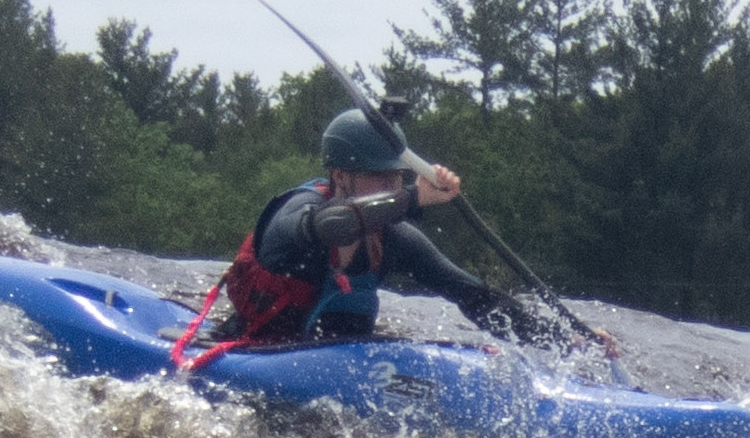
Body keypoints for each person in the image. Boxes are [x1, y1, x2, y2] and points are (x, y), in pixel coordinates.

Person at [172, 108, 539, 369]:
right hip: (250, 359)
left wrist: (559, 342)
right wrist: (413, 197)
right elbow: (338, 225)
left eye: (397, 177)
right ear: (339, 176)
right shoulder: (297, 212)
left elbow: (475, 297)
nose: (391, 187)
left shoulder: (396, 241)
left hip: (333, 374)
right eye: (377, 177)